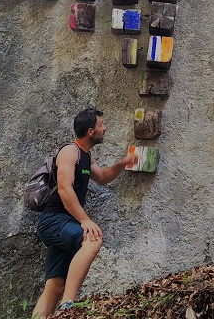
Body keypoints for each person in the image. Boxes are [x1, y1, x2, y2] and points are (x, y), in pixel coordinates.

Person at [31, 108, 136, 318]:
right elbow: (64, 189)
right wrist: (84, 220)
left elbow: (104, 176)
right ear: (90, 131)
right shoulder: (70, 151)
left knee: (55, 284)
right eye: (101, 124)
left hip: (63, 223)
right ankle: (68, 307)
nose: (105, 128)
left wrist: (123, 163)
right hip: (53, 221)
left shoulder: (87, 155)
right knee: (92, 239)